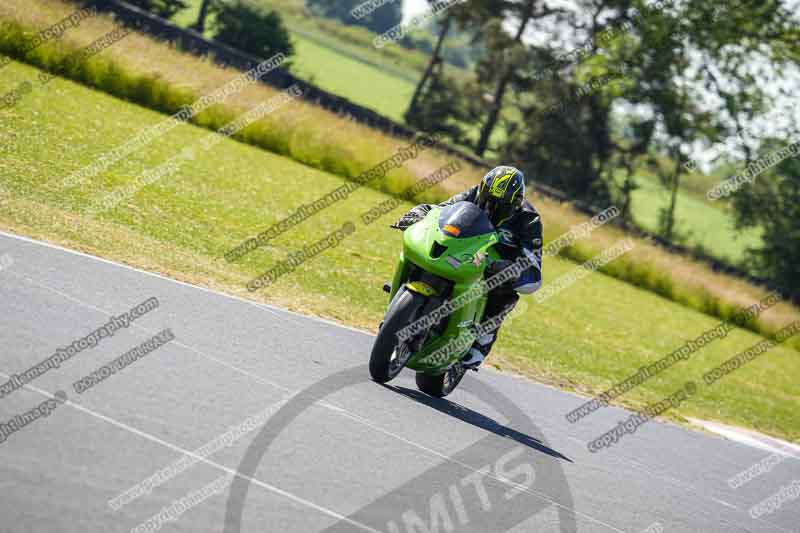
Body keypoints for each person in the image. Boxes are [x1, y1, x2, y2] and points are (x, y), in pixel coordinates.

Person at [392, 166, 543, 369]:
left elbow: (534, 273)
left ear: (514, 205)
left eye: (499, 205)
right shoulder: (473, 194)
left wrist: (513, 271)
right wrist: (419, 212)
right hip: (467, 250)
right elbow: (441, 211)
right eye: (487, 199)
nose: (490, 207)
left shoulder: (529, 220)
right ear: (482, 189)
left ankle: (482, 341)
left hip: (497, 263)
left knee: (505, 290)